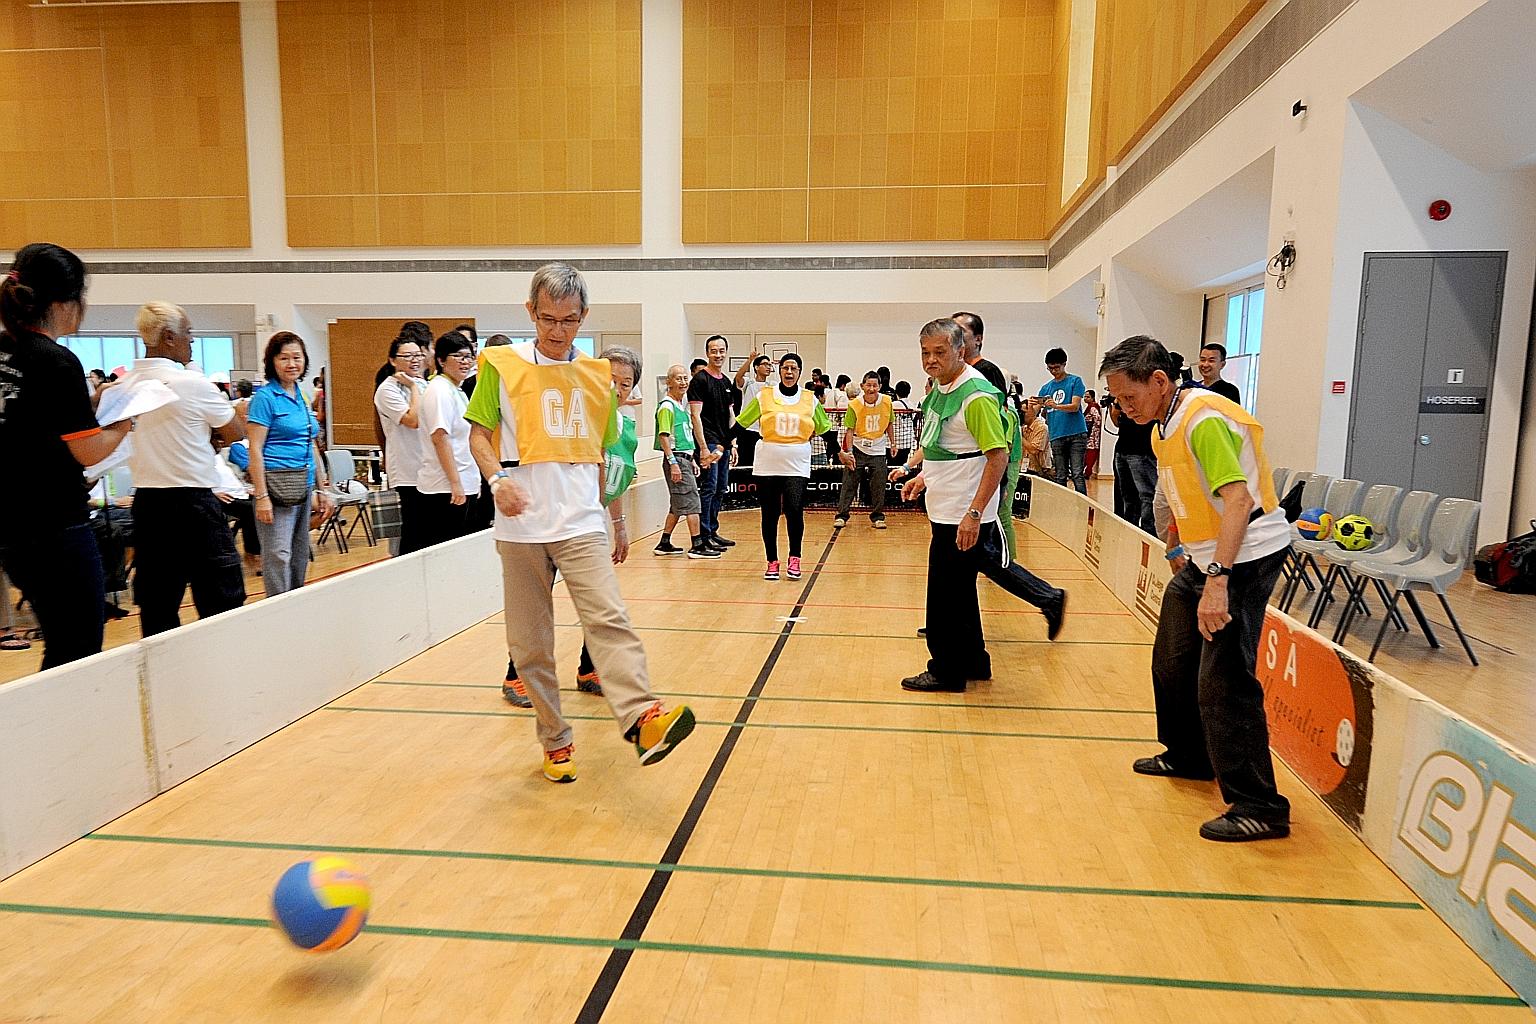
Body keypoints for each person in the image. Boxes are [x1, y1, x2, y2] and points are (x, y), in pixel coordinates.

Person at [467, 263, 694, 782]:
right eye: (547, 318)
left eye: (569, 320)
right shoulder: (499, 366)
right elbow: (478, 436)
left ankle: (643, 718)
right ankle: (555, 740)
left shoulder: (596, 377)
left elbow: (600, 456)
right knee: (530, 644)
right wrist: (497, 480)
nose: (557, 330)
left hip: (579, 522)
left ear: (583, 316)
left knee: (608, 618)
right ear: (530, 311)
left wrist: (614, 520)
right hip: (520, 527)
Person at [1100, 334, 1291, 843]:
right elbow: (1178, 492)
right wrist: (1174, 545)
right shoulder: (1162, 424)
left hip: (1245, 556)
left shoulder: (1203, 419)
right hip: (1208, 555)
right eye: (1117, 399)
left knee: (1224, 679)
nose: (1123, 408)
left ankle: (1260, 805)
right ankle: (1189, 754)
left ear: (1160, 381)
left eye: (1129, 397)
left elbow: (1238, 500)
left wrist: (1218, 581)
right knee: (1172, 656)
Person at [891, 319, 1067, 693]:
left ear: (960, 351)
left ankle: (946, 671)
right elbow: (944, 446)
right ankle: (973, 662)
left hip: (963, 512)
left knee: (944, 597)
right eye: (925, 352)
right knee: (961, 594)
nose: (931, 359)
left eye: (939, 352)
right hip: (946, 507)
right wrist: (923, 477)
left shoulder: (976, 396)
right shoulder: (942, 389)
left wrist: (974, 512)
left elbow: (997, 456)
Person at [0, 243, 133, 668]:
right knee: (76, 649)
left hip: (13, 526)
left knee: (61, 645)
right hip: (55, 528)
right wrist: (124, 422)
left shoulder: (5, 350)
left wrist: (89, 405)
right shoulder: (56, 360)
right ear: (65, 303)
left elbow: (29, 421)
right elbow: (88, 451)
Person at [502, 345, 648, 708]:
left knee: (598, 604)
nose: (616, 389)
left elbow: (613, 476)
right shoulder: (573, 411)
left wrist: (618, 524)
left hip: (587, 523)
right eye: (609, 380)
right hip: (547, 523)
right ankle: (516, 676)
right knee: (535, 606)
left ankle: (589, 669)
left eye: (625, 383)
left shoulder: (625, 427)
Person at [125, 301, 248, 635]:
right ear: (169, 336)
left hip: (148, 506)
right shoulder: (192, 384)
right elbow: (235, 431)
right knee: (222, 601)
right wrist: (210, 436)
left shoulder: (126, 385)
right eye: (188, 333)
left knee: (157, 607)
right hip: (193, 505)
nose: (192, 340)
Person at [248, 332, 334, 596]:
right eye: (283, 358)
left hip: (303, 485)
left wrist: (322, 489)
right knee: (278, 554)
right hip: (276, 487)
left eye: (297, 357)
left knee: (298, 553)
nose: (291, 364)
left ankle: (295, 603)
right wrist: (262, 496)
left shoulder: (302, 396)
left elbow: (311, 444)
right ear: (272, 362)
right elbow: (255, 449)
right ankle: (278, 606)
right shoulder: (265, 398)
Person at [735, 353, 833, 582]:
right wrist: (721, 446)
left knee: (794, 510)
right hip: (768, 461)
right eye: (785, 368)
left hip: (797, 462)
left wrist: (840, 452)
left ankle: (794, 558)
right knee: (769, 514)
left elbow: (825, 429)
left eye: (794, 368)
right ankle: (772, 561)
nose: (789, 372)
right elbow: (741, 423)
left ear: (800, 372)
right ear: (780, 371)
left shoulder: (810, 399)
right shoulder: (764, 396)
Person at [955, 311, 1025, 554]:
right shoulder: (957, 374)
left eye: (961, 332)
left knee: (998, 518)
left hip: (991, 463)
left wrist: (999, 472)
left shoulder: (986, 372)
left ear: (978, 339)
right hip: (969, 469)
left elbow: (998, 428)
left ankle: (1008, 565)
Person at [415, 331, 480, 546]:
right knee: (447, 550)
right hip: (444, 489)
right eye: (458, 356)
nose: (465, 362)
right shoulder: (439, 390)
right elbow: (440, 438)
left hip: (462, 483)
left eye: (469, 356)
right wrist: (456, 483)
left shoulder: (455, 390)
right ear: (441, 360)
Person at [653, 363, 719, 559]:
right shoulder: (667, 407)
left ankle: (664, 543)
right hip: (677, 460)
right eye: (678, 378)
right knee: (692, 503)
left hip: (684, 459)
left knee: (677, 505)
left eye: (685, 378)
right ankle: (697, 545)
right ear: (669, 382)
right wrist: (674, 463)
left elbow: (683, 438)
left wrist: (692, 461)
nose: (683, 382)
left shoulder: (680, 406)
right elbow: (664, 436)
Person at [373, 334, 430, 553]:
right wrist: (413, 388)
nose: (414, 360)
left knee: (428, 532)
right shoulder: (388, 390)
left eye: (418, 355)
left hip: (428, 468)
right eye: (407, 356)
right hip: (407, 471)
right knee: (413, 532)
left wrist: (416, 385)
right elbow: (412, 420)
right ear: (393, 360)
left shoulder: (424, 384)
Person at [688, 335, 736, 551]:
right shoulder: (699, 380)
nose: (718, 355)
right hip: (708, 442)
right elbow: (695, 415)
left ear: (726, 352)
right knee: (709, 487)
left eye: (721, 350)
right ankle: (704, 535)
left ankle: (713, 531)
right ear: (707, 353)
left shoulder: (726, 382)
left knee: (720, 488)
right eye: (714, 351)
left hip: (723, 444)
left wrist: (733, 443)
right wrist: (703, 448)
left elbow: (731, 414)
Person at [834, 371, 894, 530]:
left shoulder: (887, 401)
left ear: (880, 386)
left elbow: (889, 423)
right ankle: (841, 515)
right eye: (868, 385)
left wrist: (893, 443)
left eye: (875, 385)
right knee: (849, 482)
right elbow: (849, 430)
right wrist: (849, 452)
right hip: (858, 447)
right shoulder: (854, 405)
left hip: (878, 448)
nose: (871, 389)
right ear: (862, 386)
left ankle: (878, 516)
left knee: (879, 484)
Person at [1037, 347, 1088, 494]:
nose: (1053, 371)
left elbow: (1075, 406)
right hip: (1056, 434)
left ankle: (1083, 504)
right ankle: (1061, 504)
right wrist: (1034, 404)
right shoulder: (1046, 388)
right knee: (1060, 474)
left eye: (1057, 367)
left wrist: (1055, 406)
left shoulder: (1075, 381)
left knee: (1077, 473)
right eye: (1050, 368)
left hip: (1076, 433)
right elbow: (1038, 409)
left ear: (1064, 364)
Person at [1108, 394, 1157, 533]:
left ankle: (1148, 532)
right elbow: (1116, 422)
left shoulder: (1149, 396)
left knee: (1146, 495)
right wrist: (1115, 405)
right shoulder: (1122, 398)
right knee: (1127, 495)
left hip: (1142, 450)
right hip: (1122, 448)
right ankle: (1130, 529)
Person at [733, 352, 772, 469]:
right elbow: (738, 377)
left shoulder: (772, 385)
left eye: (770, 365)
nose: (768, 367)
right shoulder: (749, 383)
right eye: (765, 364)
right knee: (745, 462)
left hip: (764, 431)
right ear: (756, 367)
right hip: (747, 429)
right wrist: (750, 360)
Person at [1021, 396, 1050, 475]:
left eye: (1024, 412)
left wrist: (1020, 436)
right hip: (1025, 468)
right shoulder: (1024, 428)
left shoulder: (1041, 427)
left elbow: (1034, 450)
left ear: (1033, 411)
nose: (1022, 415)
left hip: (1039, 471)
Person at [891, 380, 917, 466]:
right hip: (907, 440)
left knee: (891, 465)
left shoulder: (892, 405)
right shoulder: (912, 405)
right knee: (902, 464)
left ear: (896, 391)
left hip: (894, 440)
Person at [1083, 389, 1103, 480]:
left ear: (1093, 398)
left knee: (1090, 453)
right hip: (1089, 433)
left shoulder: (1093, 407)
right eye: (1085, 396)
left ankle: (1088, 472)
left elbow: (1097, 419)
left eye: (1088, 397)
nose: (1085, 398)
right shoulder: (1089, 407)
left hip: (1093, 434)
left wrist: (1093, 430)